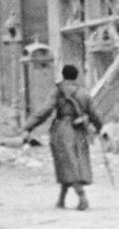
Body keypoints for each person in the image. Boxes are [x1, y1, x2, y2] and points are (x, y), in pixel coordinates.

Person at [21, 64, 103, 211]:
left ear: (63, 75)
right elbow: (95, 114)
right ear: (76, 76)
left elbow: (45, 111)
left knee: (67, 164)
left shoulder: (58, 91)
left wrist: (28, 126)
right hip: (80, 132)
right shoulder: (84, 93)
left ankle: (82, 198)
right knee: (73, 163)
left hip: (63, 131)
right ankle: (61, 200)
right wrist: (100, 127)